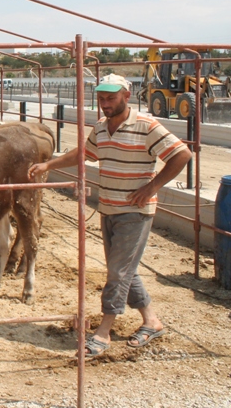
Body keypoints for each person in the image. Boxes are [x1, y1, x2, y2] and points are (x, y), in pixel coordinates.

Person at [28, 74, 191, 358]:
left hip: (135, 211)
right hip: (108, 207)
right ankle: (152, 321)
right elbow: (84, 153)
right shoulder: (102, 127)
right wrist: (48, 164)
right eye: (101, 99)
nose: (105, 104)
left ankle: (103, 333)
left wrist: (152, 186)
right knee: (125, 270)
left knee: (118, 272)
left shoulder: (147, 126)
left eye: (111, 98)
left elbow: (182, 154)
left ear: (127, 96)